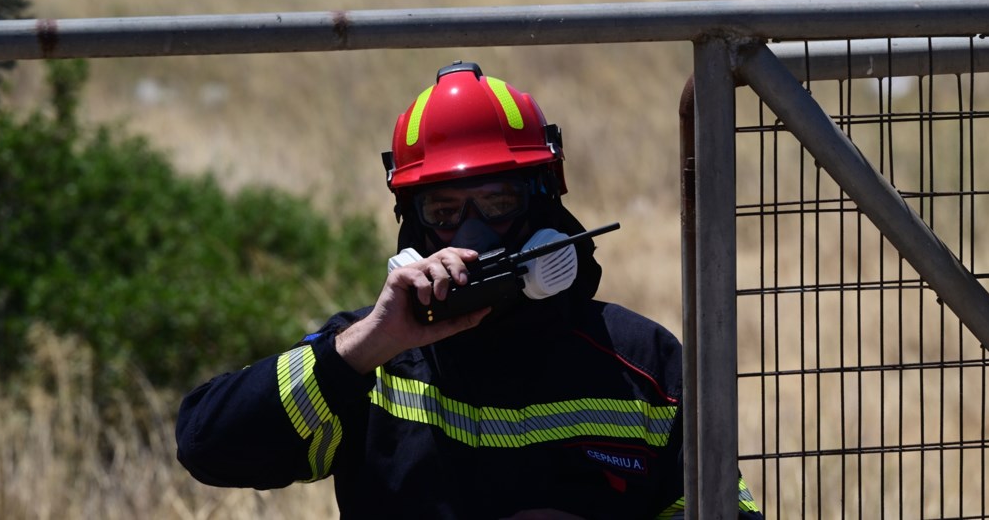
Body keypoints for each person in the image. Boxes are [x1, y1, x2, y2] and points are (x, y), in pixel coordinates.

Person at [175, 61, 763, 519]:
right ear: (414, 227)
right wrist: (364, 346)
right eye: (447, 210)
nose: (474, 235)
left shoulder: (645, 365)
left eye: (499, 204)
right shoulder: (371, 362)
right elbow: (207, 446)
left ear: (545, 205)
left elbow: (729, 508)